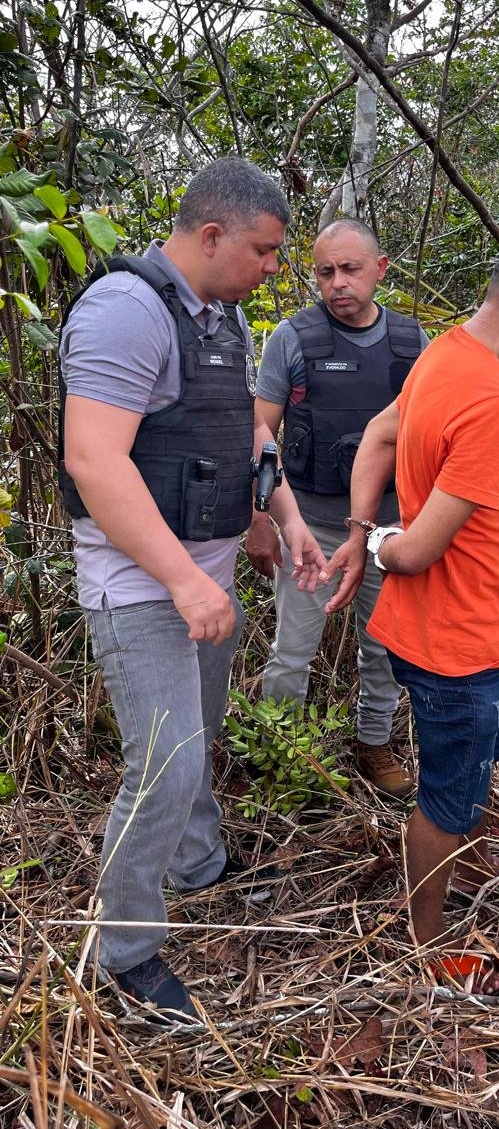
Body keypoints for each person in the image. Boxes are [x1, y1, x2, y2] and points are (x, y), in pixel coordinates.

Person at [58, 157, 325, 1023]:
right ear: (210, 235)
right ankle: (125, 953)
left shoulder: (220, 317)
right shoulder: (126, 311)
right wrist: (180, 579)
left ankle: (198, 865)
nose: (274, 270)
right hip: (142, 588)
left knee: (197, 740)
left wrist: (283, 514)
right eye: (265, 251)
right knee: (165, 762)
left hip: (202, 579)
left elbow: (241, 430)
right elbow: (93, 459)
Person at [321, 236, 499, 964]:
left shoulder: (442, 354)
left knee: (478, 755)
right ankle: (425, 935)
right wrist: (377, 543)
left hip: (444, 631)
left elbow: (379, 436)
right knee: (447, 791)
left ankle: (469, 861)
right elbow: (414, 551)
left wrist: (352, 530)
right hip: (455, 640)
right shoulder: (497, 401)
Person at [245, 218, 427, 798]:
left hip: (387, 529)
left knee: (383, 646)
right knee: (292, 650)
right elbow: (259, 434)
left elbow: (430, 439)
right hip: (312, 527)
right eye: (325, 272)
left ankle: (374, 742)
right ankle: (284, 756)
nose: (337, 283)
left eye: (350, 269)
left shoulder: (411, 343)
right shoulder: (293, 339)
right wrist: (260, 519)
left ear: (380, 269)